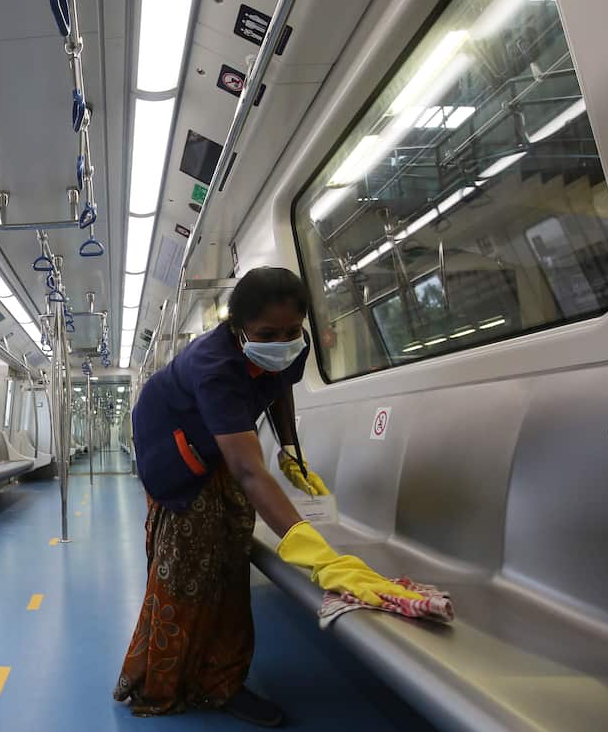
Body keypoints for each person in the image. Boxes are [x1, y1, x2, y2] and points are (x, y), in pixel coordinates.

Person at [113, 266, 420, 726]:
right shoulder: (215, 367)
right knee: (188, 567)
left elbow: (280, 387)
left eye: (291, 331)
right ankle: (168, 679)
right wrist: (318, 554)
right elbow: (247, 470)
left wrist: (292, 449)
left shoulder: (290, 343)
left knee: (230, 562)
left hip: (222, 444)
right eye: (266, 333)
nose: (281, 341)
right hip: (173, 446)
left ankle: (222, 682)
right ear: (239, 330)